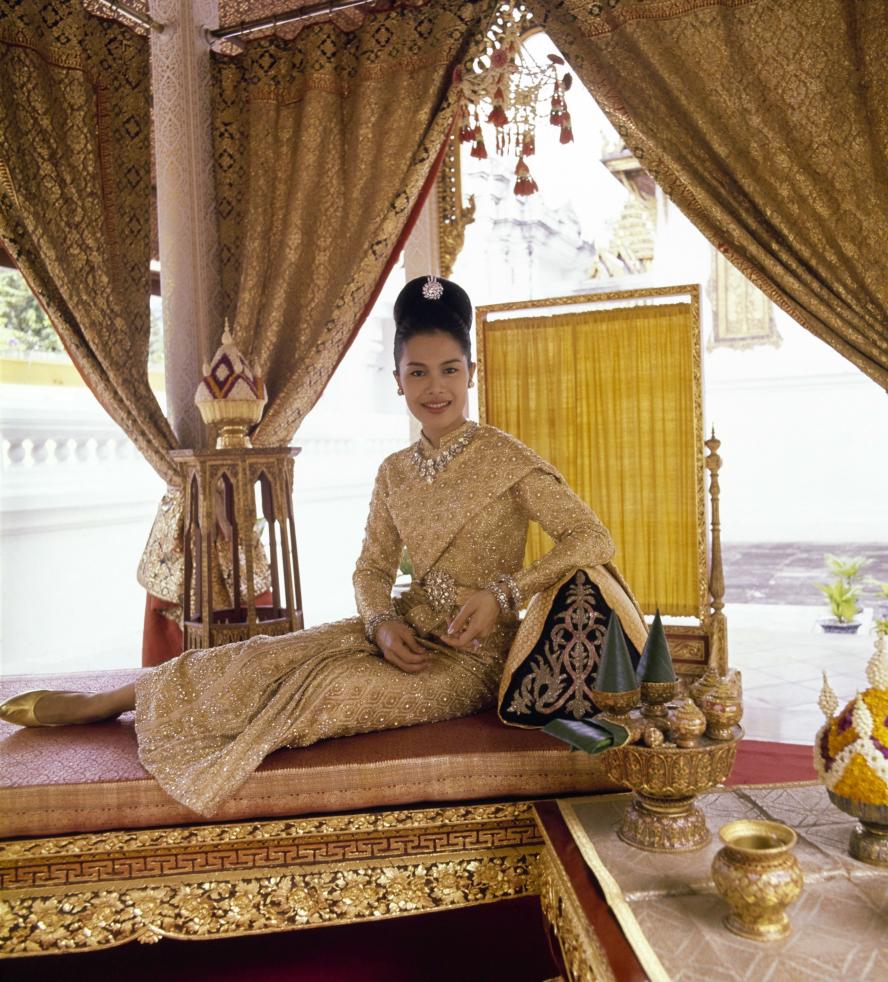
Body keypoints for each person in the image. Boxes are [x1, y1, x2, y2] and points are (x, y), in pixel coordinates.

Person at [0, 276, 614, 815]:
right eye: (418, 371)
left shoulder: (508, 460)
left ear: (472, 374)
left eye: (450, 369)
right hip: (400, 631)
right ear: (398, 380)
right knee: (258, 655)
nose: (436, 387)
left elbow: (593, 537)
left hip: (466, 660)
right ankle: (106, 703)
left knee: (328, 692)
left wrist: (505, 594)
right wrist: (377, 624)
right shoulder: (394, 471)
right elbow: (371, 569)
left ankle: (170, 717)